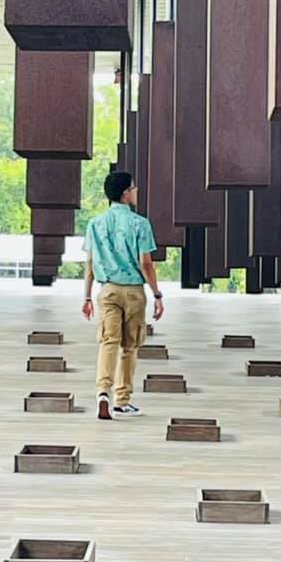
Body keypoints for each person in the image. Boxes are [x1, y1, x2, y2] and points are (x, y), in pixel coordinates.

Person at [82, 171, 164, 420]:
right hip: (133, 292)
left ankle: (102, 392)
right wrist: (157, 294)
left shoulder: (95, 224)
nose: (136, 192)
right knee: (130, 346)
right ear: (126, 193)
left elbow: (90, 263)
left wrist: (86, 297)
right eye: (134, 188)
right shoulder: (140, 224)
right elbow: (146, 264)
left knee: (108, 342)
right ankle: (122, 399)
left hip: (107, 290)